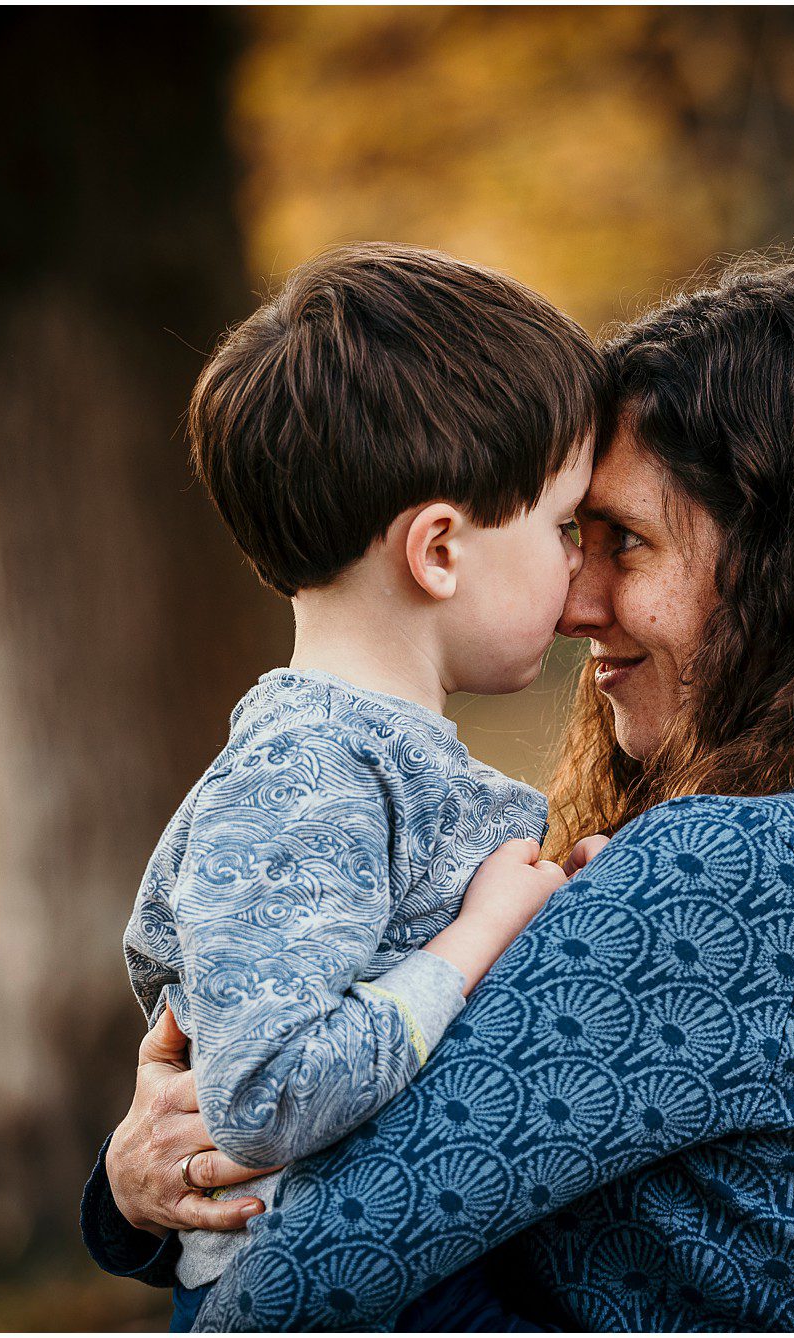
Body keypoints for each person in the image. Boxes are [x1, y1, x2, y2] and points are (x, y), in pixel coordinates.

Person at [85, 255, 794, 1330]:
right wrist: (134, 1191)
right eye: (573, 536)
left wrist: (130, 1204)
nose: (577, 600)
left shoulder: (736, 874)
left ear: (792, 556)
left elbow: (301, 1282)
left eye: (623, 540)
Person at [116, 241, 611, 1329]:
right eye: (562, 528)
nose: (582, 572)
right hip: (332, 1293)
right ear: (437, 550)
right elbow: (271, 1094)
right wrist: (484, 933)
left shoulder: (373, 762)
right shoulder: (303, 778)